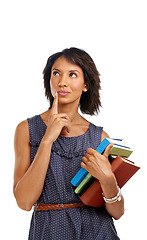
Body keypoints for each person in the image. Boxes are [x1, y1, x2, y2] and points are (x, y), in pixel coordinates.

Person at [13, 47, 124, 239]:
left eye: (72, 74)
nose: (62, 82)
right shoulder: (27, 129)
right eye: (56, 73)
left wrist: (107, 179)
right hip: (49, 231)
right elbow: (24, 202)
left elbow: (117, 212)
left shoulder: (99, 137)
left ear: (86, 84)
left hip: (98, 231)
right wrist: (47, 140)